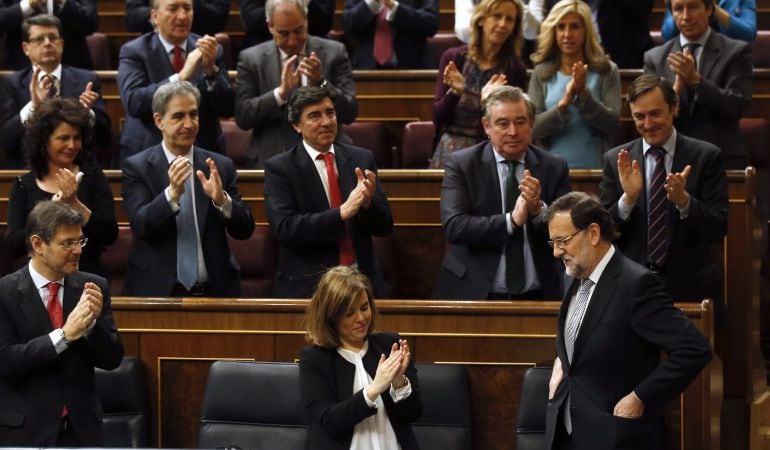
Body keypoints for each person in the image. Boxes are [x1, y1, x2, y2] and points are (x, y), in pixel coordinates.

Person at [543, 191, 712, 449]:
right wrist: (562, 359)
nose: (556, 252)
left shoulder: (637, 285)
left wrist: (640, 397)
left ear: (593, 233)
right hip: (566, 432)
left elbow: (694, 349)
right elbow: (583, 339)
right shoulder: (571, 275)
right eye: (552, 242)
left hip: (616, 435)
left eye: (562, 240)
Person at [599, 74, 728, 319]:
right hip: (632, 287)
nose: (648, 124)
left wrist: (684, 202)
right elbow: (603, 232)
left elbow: (718, 227)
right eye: (639, 116)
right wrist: (628, 198)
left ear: (674, 108)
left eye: (655, 114)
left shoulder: (706, 156)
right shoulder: (617, 159)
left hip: (691, 287)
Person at [0, 200, 124, 446]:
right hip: (27, 432)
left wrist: (90, 327)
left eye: (80, 241)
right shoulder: (5, 292)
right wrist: (63, 336)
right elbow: (5, 361)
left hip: (82, 433)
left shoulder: (93, 286)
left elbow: (112, 359)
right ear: (38, 244)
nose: (78, 250)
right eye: (67, 243)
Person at [433, 85, 571, 300]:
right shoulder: (462, 164)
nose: (513, 132)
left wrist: (538, 211)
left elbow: (569, 231)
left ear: (532, 124)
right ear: (486, 126)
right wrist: (510, 221)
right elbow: (455, 227)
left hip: (540, 294)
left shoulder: (554, 166)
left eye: (520, 122)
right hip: (474, 292)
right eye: (503, 123)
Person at [121, 81, 255, 297]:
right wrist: (170, 196)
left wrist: (222, 201)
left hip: (216, 290)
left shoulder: (219, 165)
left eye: (193, 114)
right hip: (157, 293)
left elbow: (245, 229)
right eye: (178, 116)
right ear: (159, 121)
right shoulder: (137, 167)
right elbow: (141, 226)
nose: (189, 124)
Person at [264, 86, 393, 299]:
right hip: (310, 286)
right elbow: (285, 228)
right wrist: (341, 213)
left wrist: (369, 205)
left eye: (330, 113)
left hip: (361, 280)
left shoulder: (361, 159)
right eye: (315, 116)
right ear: (297, 125)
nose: (326, 122)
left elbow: (385, 226)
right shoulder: (280, 168)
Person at [299, 265, 422, 450]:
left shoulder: (390, 345)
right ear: (330, 316)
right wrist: (372, 391)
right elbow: (329, 421)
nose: (361, 318)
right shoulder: (314, 359)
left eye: (364, 308)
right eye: (349, 313)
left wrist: (398, 383)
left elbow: (413, 414)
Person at [235, 0, 358, 168]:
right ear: (270, 26)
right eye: (284, 34)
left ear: (306, 20)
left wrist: (321, 83)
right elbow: (243, 116)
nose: (292, 41)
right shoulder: (251, 59)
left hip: (330, 152)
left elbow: (350, 112)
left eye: (298, 31)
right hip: (272, 155)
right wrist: (280, 94)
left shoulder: (334, 52)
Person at [7, 98, 117, 278]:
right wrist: (50, 209)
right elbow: (14, 246)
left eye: (77, 138)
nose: (72, 146)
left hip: (87, 276)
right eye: (63, 138)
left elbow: (109, 234)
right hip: (38, 281)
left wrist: (75, 205)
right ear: (44, 141)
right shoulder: (23, 185)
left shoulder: (93, 177)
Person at [117, 0, 234, 166]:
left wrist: (210, 72)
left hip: (203, 152)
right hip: (148, 153)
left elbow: (227, 107)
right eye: (173, 9)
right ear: (155, 16)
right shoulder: (134, 51)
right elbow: (135, 101)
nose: (182, 16)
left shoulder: (210, 49)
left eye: (187, 8)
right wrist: (181, 77)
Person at [644, 0, 752, 170]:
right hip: (673, 160)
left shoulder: (736, 51)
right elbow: (650, 116)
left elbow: (737, 106)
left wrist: (697, 81)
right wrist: (676, 91)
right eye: (678, 9)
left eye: (693, 7)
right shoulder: (655, 58)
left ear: (709, 9)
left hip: (723, 159)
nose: (686, 16)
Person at [1, 14, 110, 169]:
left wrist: (87, 113)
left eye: (53, 38)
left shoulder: (87, 80)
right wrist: (33, 107)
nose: (47, 44)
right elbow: (6, 140)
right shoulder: (10, 83)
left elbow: (104, 138)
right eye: (39, 39)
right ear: (26, 48)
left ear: (62, 44)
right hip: (27, 170)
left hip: (78, 167)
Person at [430, 0, 527, 168]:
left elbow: (509, 127)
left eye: (509, 19)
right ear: (481, 19)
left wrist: (482, 100)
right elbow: (438, 117)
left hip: (491, 155)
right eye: (497, 16)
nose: (503, 24)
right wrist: (455, 93)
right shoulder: (455, 58)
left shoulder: (515, 69)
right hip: (450, 152)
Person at [528, 0, 620, 169]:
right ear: (553, 31)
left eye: (575, 27)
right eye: (561, 27)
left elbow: (613, 125)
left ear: (586, 31)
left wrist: (584, 94)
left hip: (596, 169)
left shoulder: (606, 70)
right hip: (550, 172)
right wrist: (563, 104)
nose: (567, 34)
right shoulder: (541, 72)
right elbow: (531, 128)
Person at [0, 0, 97, 70]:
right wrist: (28, 5)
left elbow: (90, 23)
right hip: (19, 67)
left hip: (72, 67)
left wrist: (63, 2)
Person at [342, 0, 439, 69]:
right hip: (365, 67)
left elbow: (431, 23)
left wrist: (395, 8)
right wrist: (371, 3)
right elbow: (347, 25)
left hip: (411, 68)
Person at [238, 0, 335, 48]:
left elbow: (326, 22)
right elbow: (251, 20)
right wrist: (282, 4)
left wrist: (305, 2)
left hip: (311, 45)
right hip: (263, 44)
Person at [662, 0, 756, 43]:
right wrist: (683, 6)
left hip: (732, 62)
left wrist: (711, 6)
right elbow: (667, 36)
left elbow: (748, 35)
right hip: (688, 57)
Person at [125, 0, 230, 36]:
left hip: (198, 48)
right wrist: (166, 9)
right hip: (152, 51)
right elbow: (132, 19)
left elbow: (219, 20)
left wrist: (188, 3)